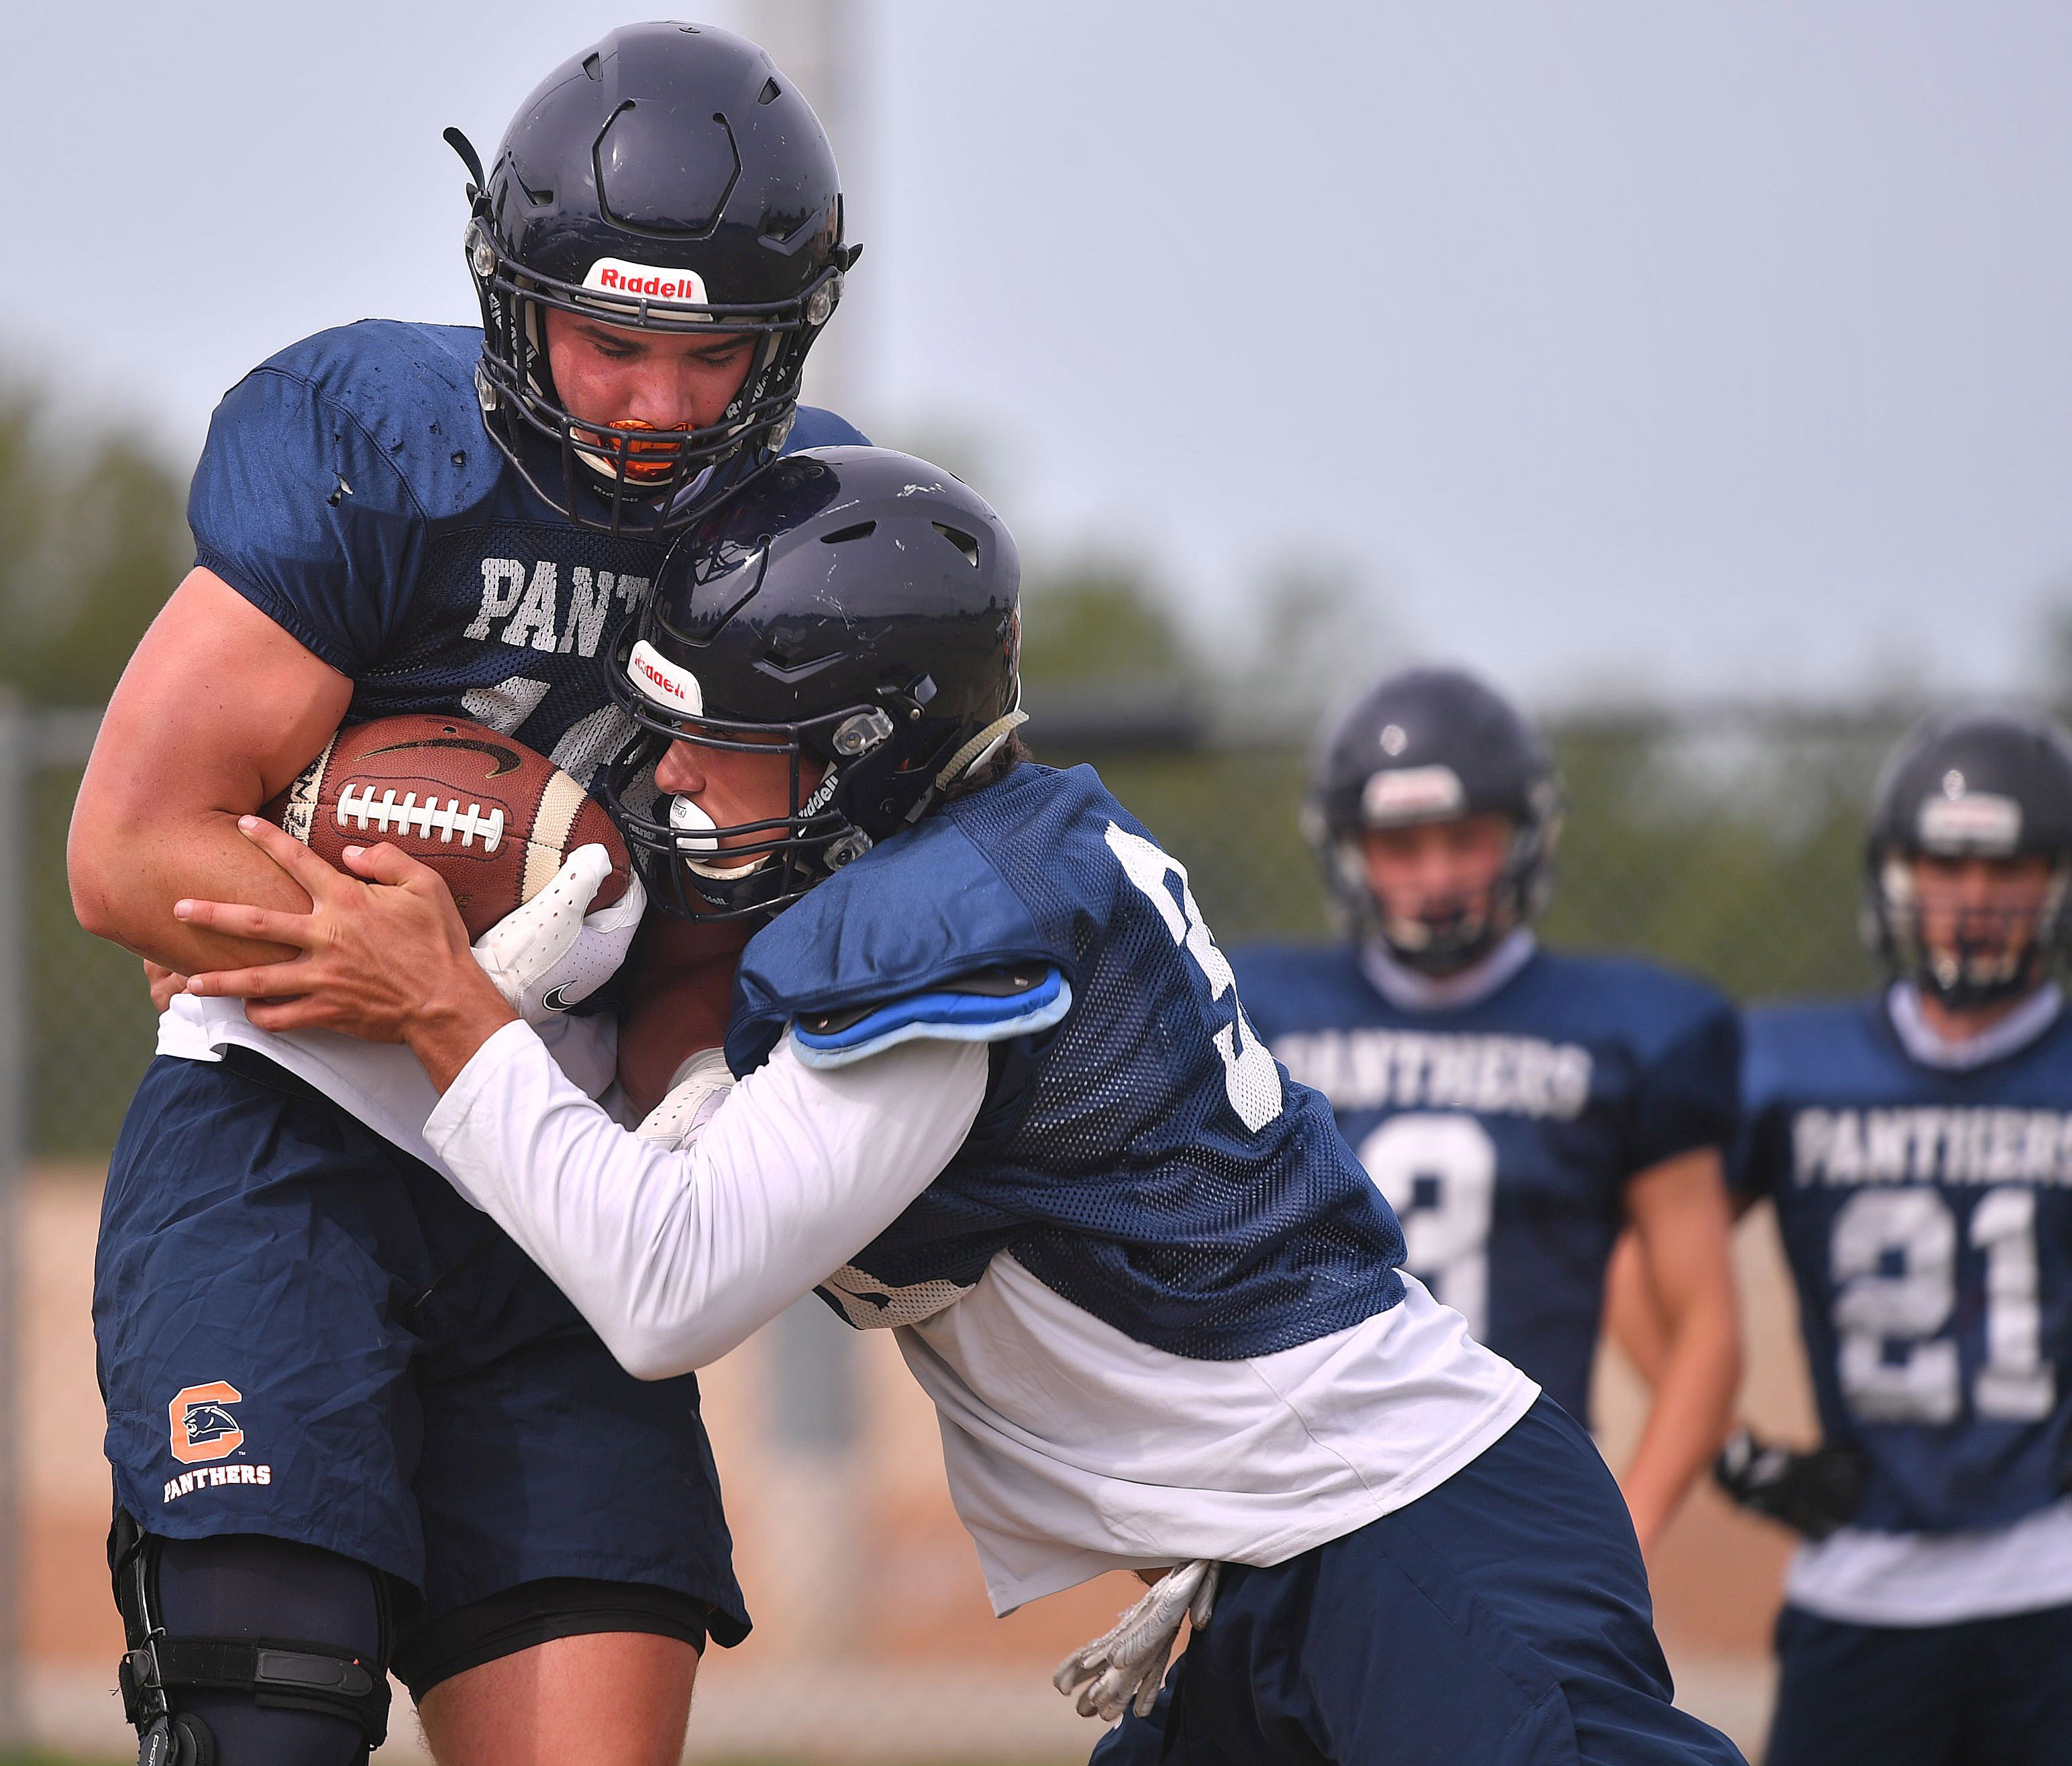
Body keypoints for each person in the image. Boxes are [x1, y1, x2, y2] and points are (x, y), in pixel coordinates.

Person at [174, 446, 1746, 1766]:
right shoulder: (991, 852)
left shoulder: (946, 927)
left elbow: (669, 1288)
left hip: (1414, 1540)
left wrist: (446, 1014)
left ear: (868, 752)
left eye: (727, 744)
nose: (673, 783)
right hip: (1282, 1562)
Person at [68, 23, 866, 1765]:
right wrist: (390, 955)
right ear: (519, 304)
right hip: (288, 1144)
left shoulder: (805, 535)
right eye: (609, 343)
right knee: (262, 1724)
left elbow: (721, 923)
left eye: (708, 353)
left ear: (786, 340)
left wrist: (687, 1085)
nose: (654, 405)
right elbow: (124, 852)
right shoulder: (377, 440)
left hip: (553, 1206)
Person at [1229, 669, 1742, 1554]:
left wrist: (1627, 1531)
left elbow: (1706, 1323)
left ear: (1525, 837)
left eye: (1465, 839)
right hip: (1305, 1490)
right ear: (1346, 849)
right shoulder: (1254, 1012)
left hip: (1521, 1491)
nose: (1435, 875)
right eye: (1401, 844)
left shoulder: (1635, 1031)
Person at [1705, 709, 2072, 1766]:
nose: (1974, 897)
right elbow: (1658, 1259)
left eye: (2008, 868)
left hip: (2050, 1564)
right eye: (1945, 863)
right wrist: (1739, 1456)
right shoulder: (1788, 1063)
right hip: (1863, 1573)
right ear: (1896, 876)